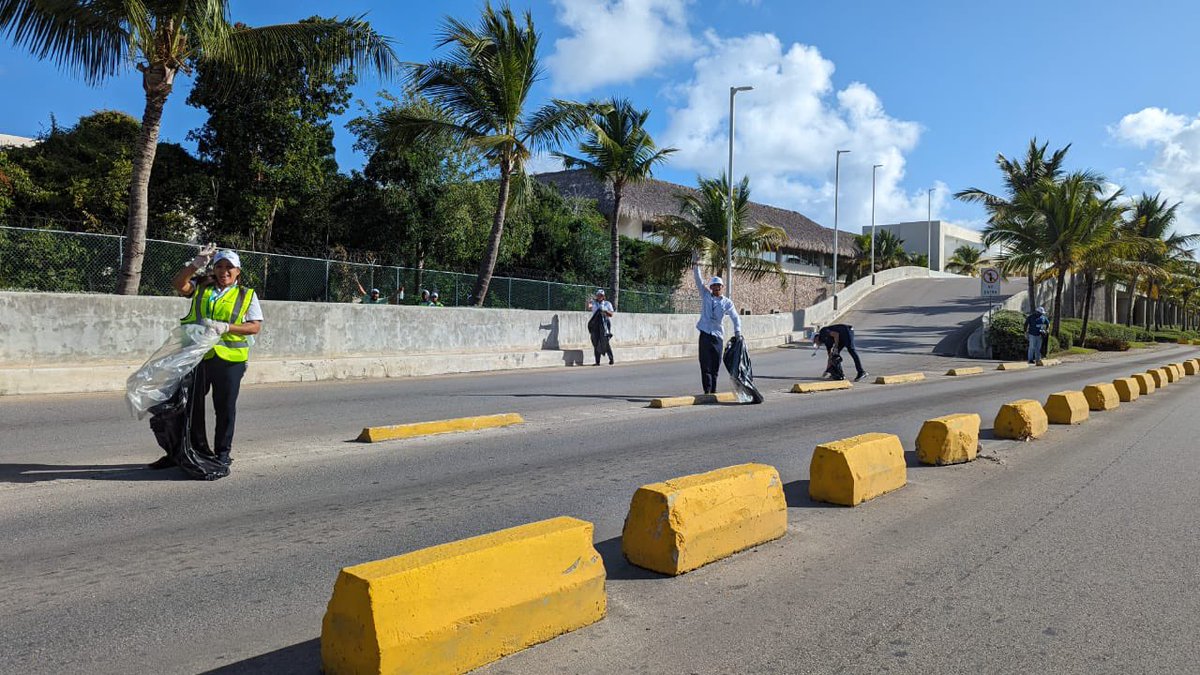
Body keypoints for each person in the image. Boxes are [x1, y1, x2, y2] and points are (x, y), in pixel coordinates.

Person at [151, 247, 263, 474]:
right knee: (185, 405)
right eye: (219, 266)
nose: (224, 271)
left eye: (229, 267)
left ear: (238, 271)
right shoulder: (203, 286)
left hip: (230, 359)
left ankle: (222, 454)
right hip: (197, 356)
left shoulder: (246, 294)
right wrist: (195, 264)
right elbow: (179, 285)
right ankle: (181, 452)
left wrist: (228, 327)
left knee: (225, 408)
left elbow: (254, 327)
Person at [693, 257, 741, 394]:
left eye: (718, 286)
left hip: (717, 336)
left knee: (715, 364)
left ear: (722, 287)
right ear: (711, 288)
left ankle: (713, 390)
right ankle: (707, 391)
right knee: (705, 363)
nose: (716, 288)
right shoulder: (706, 295)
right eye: (713, 286)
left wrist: (737, 332)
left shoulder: (727, 303)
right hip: (705, 334)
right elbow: (698, 280)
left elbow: (735, 317)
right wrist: (696, 265)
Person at [586, 289, 615, 366]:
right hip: (595, 325)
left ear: (603, 296)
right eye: (598, 295)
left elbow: (611, 314)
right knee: (595, 342)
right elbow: (589, 308)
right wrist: (589, 302)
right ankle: (597, 361)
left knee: (605, 341)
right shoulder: (594, 303)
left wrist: (604, 311)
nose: (599, 297)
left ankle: (611, 358)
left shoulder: (607, 303)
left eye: (601, 295)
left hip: (604, 324)